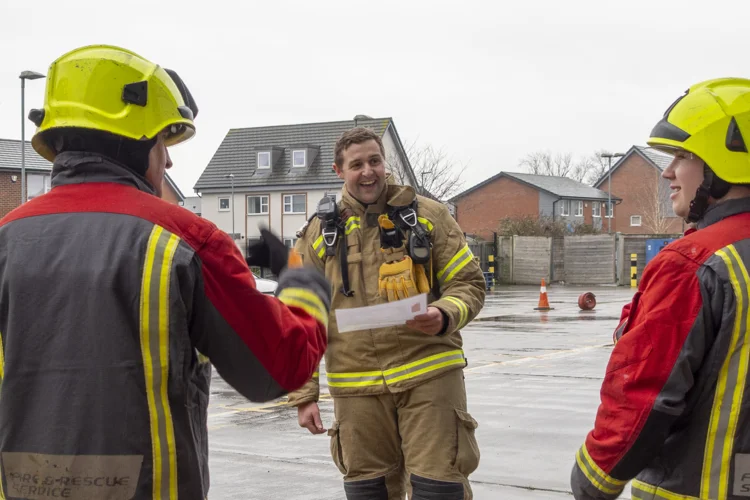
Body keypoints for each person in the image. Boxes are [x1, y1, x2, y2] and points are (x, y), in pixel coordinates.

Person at [0, 44, 330, 500]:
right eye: (161, 143)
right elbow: (279, 366)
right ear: (134, 141)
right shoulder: (184, 240)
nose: (169, 162)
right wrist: (303, 280)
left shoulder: (5, 238)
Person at [571, 77, 750, 500]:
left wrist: (593, 479)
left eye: (683, 155)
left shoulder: (693, 262)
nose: (668, 171)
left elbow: (644, 395)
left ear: (724, 166)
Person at [289, 127, 486, 500]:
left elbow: (469, 283)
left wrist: (444, 313)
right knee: (368, 491)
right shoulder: (316, 234)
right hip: (356, 387)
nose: (368, 172)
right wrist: (304, 394)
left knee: (439, 488)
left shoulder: (428, 216)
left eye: (375, 161)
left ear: (385, 163)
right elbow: (299, 316)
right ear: (338, 170)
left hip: (429, 374)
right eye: (357, 164)